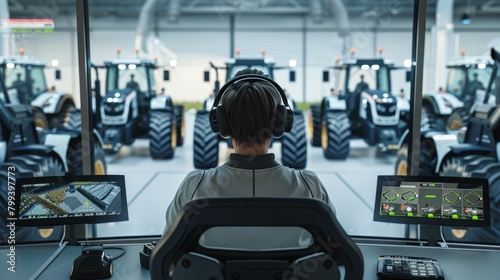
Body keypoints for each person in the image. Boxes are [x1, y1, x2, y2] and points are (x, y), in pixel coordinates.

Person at [163, 68, 335, 249]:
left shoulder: (193, 187)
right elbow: (333, 249)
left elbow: (167, 252)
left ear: (222, 123)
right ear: (280, 122)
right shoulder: (310, 186)